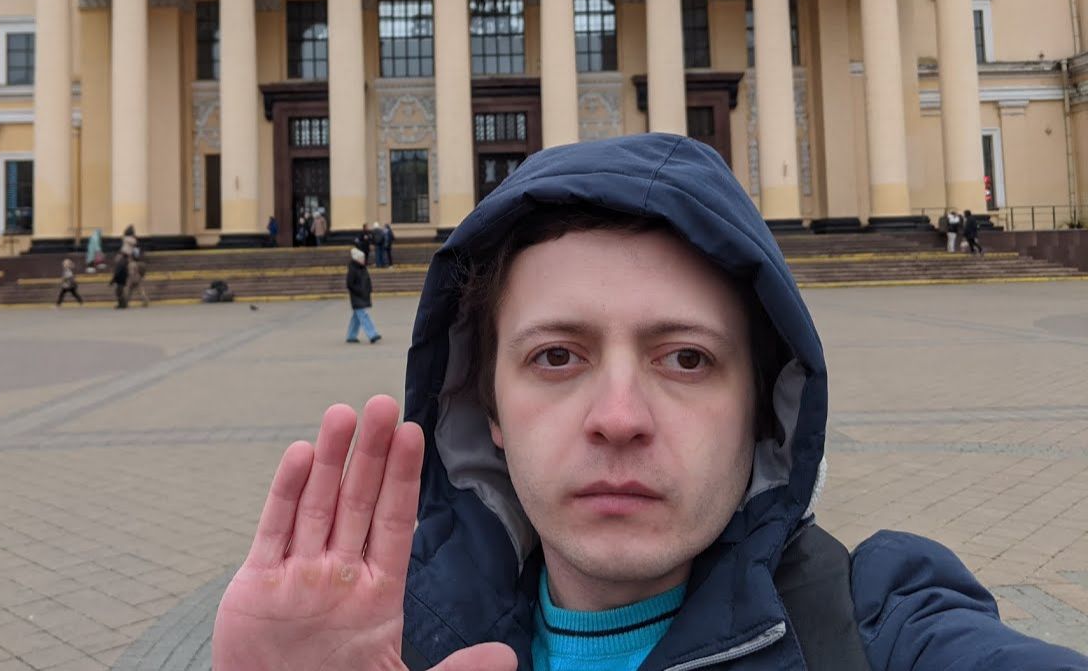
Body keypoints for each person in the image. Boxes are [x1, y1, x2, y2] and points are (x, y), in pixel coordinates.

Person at [212, 134, 1088, 671]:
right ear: (489, 412)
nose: (620, 417)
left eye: (687, 358)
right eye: (557, 356)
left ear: (764, 411)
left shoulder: (879, 630)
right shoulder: (390, 648)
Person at [343, 247, 381, 344]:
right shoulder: (353, 269)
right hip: (356, 296)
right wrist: (360, 291)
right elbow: (349, 284)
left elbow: (367, 280)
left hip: (362, 295)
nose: (364, 259)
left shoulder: (362, 268)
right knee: (363, 315)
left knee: (356, 317)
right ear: (357, 259)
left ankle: (351, 336)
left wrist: (369, 290)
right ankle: (372, 334)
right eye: (362, 258)